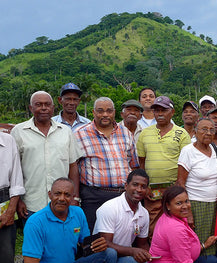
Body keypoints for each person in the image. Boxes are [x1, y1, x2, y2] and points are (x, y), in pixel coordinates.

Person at [11, 91, 83, 220]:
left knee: (61, 238)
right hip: (31, 203)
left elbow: (73, 166)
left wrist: (75, 197)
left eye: (47, 104)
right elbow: (14, 169)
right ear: (31, 108)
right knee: (34, 239)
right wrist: (19, 200)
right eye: (38, 104)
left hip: (62, 203)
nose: (43, 108)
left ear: (53, 107)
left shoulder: (65, 132)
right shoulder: (18, 131)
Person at [93, 169, 151, 263]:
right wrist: (133, 252)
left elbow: (142, 244)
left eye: (143, 186)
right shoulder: (110, 208)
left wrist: (152, 258)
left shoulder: (144, 213)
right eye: (135, 185)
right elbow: (105, 245)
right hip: (103, 262)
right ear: (126, 185)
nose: (139, 189)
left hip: (122, 258)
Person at [177, 118, 217, 263]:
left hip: (215, 203)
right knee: (198, 242)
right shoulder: (188, 151)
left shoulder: (214, 149)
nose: (208, 133)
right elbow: (180, 183)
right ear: (195, 132)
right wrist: (188, 211)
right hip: (196, 203)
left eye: (211, 130)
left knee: (216, 238)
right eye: (203, 129)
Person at [75, 96, 139, 232]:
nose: (105, 114)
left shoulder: (126, 133)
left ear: (114, 112)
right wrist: (75, 197)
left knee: (123, 236)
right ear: (93, 112)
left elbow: (133, 165)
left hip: (122, 196)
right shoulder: (79, 135)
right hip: (94, 196)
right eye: (100, 111)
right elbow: (73, 168)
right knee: (95, 239)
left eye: (109, 111)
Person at [136, 96, 190, 237]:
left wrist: (179, 185)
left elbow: (186, 163)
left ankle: (176, 256)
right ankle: (155, 255)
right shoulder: (145, 133)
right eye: (157, 110)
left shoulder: (182, 133)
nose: (160, 114)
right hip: (151, 190)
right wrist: (144, 186)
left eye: (164, 110)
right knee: (152, 226)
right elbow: (141, 162)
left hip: (174, 188)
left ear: (172, 112)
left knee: (175, 224)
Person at [0, 132, 25, 263]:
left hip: (4, 198)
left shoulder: (7, 140)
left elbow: (16, 179)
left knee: (6, 253)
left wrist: (11, 210)